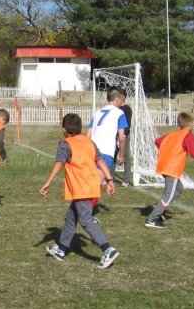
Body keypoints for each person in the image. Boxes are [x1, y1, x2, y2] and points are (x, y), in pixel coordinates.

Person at [39, 113, 120, 269]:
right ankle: (61, 249)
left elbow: (59, 162)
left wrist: (48, 182)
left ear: (64, 129)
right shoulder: (89, 142)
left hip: (81, 188)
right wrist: (109, 179)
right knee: (71, 217)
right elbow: (101, 160)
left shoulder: (66, 144)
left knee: (85, 219)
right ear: (80, 128)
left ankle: (108, 250)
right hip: (92, 184)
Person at [145, 111, 194, 229]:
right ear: (190, 124)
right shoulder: (188, 135)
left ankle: (159, 208)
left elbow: (157, 141)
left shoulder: (173, 134)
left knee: (179, 188)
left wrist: (168, 150)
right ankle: (152, 219)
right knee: (168, 194)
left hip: (164, 165)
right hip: (172, 168)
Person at [86, 88, 129, 215]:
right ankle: (86, 214)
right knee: (98, 183)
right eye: (122, 99)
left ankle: (82, 211)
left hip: (91, 150)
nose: (122, 102)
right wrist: (122, 155)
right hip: (105, 151)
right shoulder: (119, 113)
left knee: (90, 182)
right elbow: (122, 137)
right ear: (117, 99)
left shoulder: (98, 112)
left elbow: (88, 134)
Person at [118, 89, 133, 187]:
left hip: (124, 134)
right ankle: (108, 176)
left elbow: (127, 124)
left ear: (123, 97)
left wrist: (124, 135)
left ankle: (126, 179)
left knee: (126, 156)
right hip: (115, 134)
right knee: (113, 154)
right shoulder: (116, 108)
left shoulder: (127, 109)